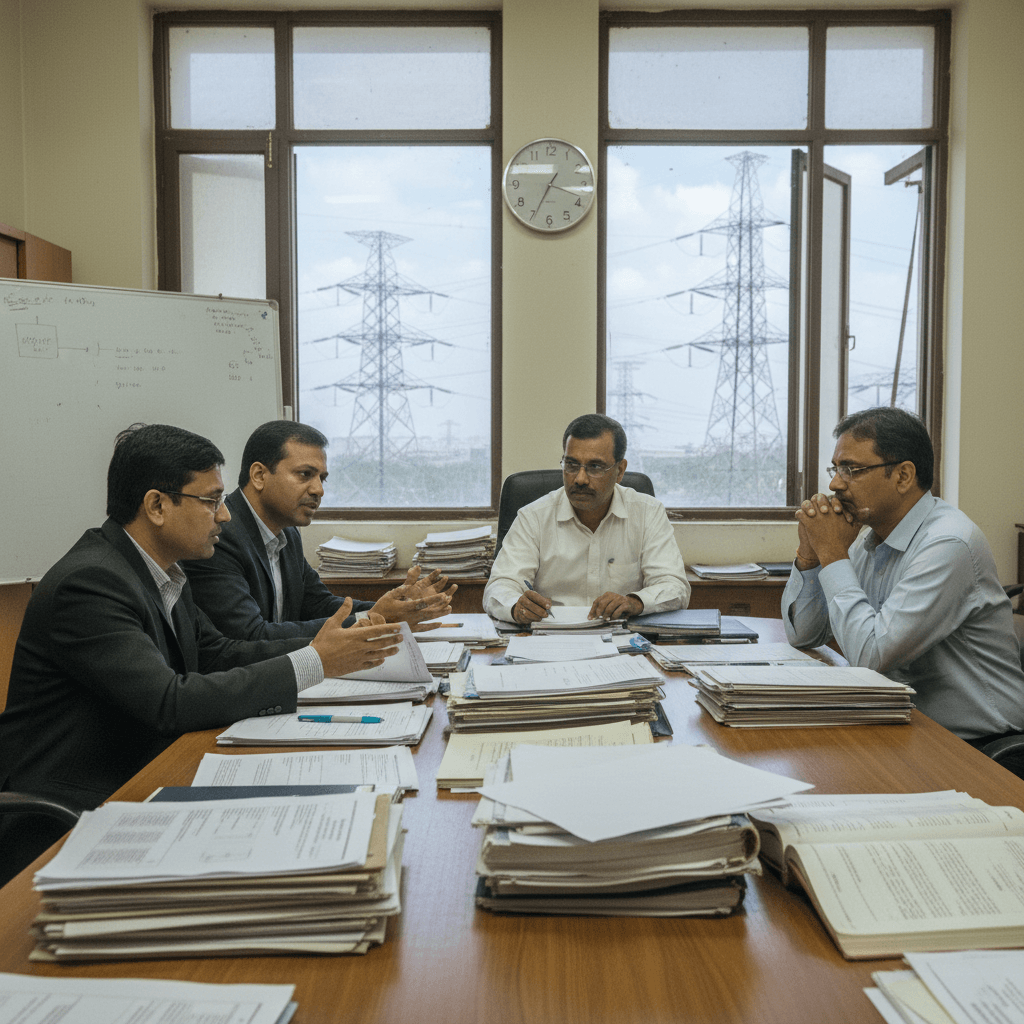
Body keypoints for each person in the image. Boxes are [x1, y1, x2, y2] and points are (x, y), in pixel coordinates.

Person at [0, 423, 403, 883]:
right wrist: (316, 662)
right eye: (211, 501)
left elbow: (218, 652)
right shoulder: (91, 583)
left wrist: (327, 650)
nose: (226, 515)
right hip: (71, 811)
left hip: (142, 776)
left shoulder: (163, 570)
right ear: (156, 505)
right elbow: (168, 701)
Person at [782, 406, 1024, 743]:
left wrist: (833, 554)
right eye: (835, 469)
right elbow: (804, 636)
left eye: (851, 469)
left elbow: (871, 656)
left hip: (981, 745)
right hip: (903, 725)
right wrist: (809, 555)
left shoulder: (947, 543)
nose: (835, 484)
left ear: (903, 476)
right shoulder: (869, 538)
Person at [183, 420, 454, 640]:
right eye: (304, 474)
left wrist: (397, 607)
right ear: (259, 475)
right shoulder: (220, 534)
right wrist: (372, 619)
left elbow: (319, 604)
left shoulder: (287, 532)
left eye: (321, 478)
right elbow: (250, 634)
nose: (318, 490)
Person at [483, 413, 689, 625]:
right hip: (551, 639)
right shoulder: (533, 517)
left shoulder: (647, 512)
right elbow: (500, 585)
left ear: (620, 471)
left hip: (623, 638)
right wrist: (517, 606)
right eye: (571, 465)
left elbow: (674, 585)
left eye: (595, 467)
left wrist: (635, 602)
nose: (580, 479)